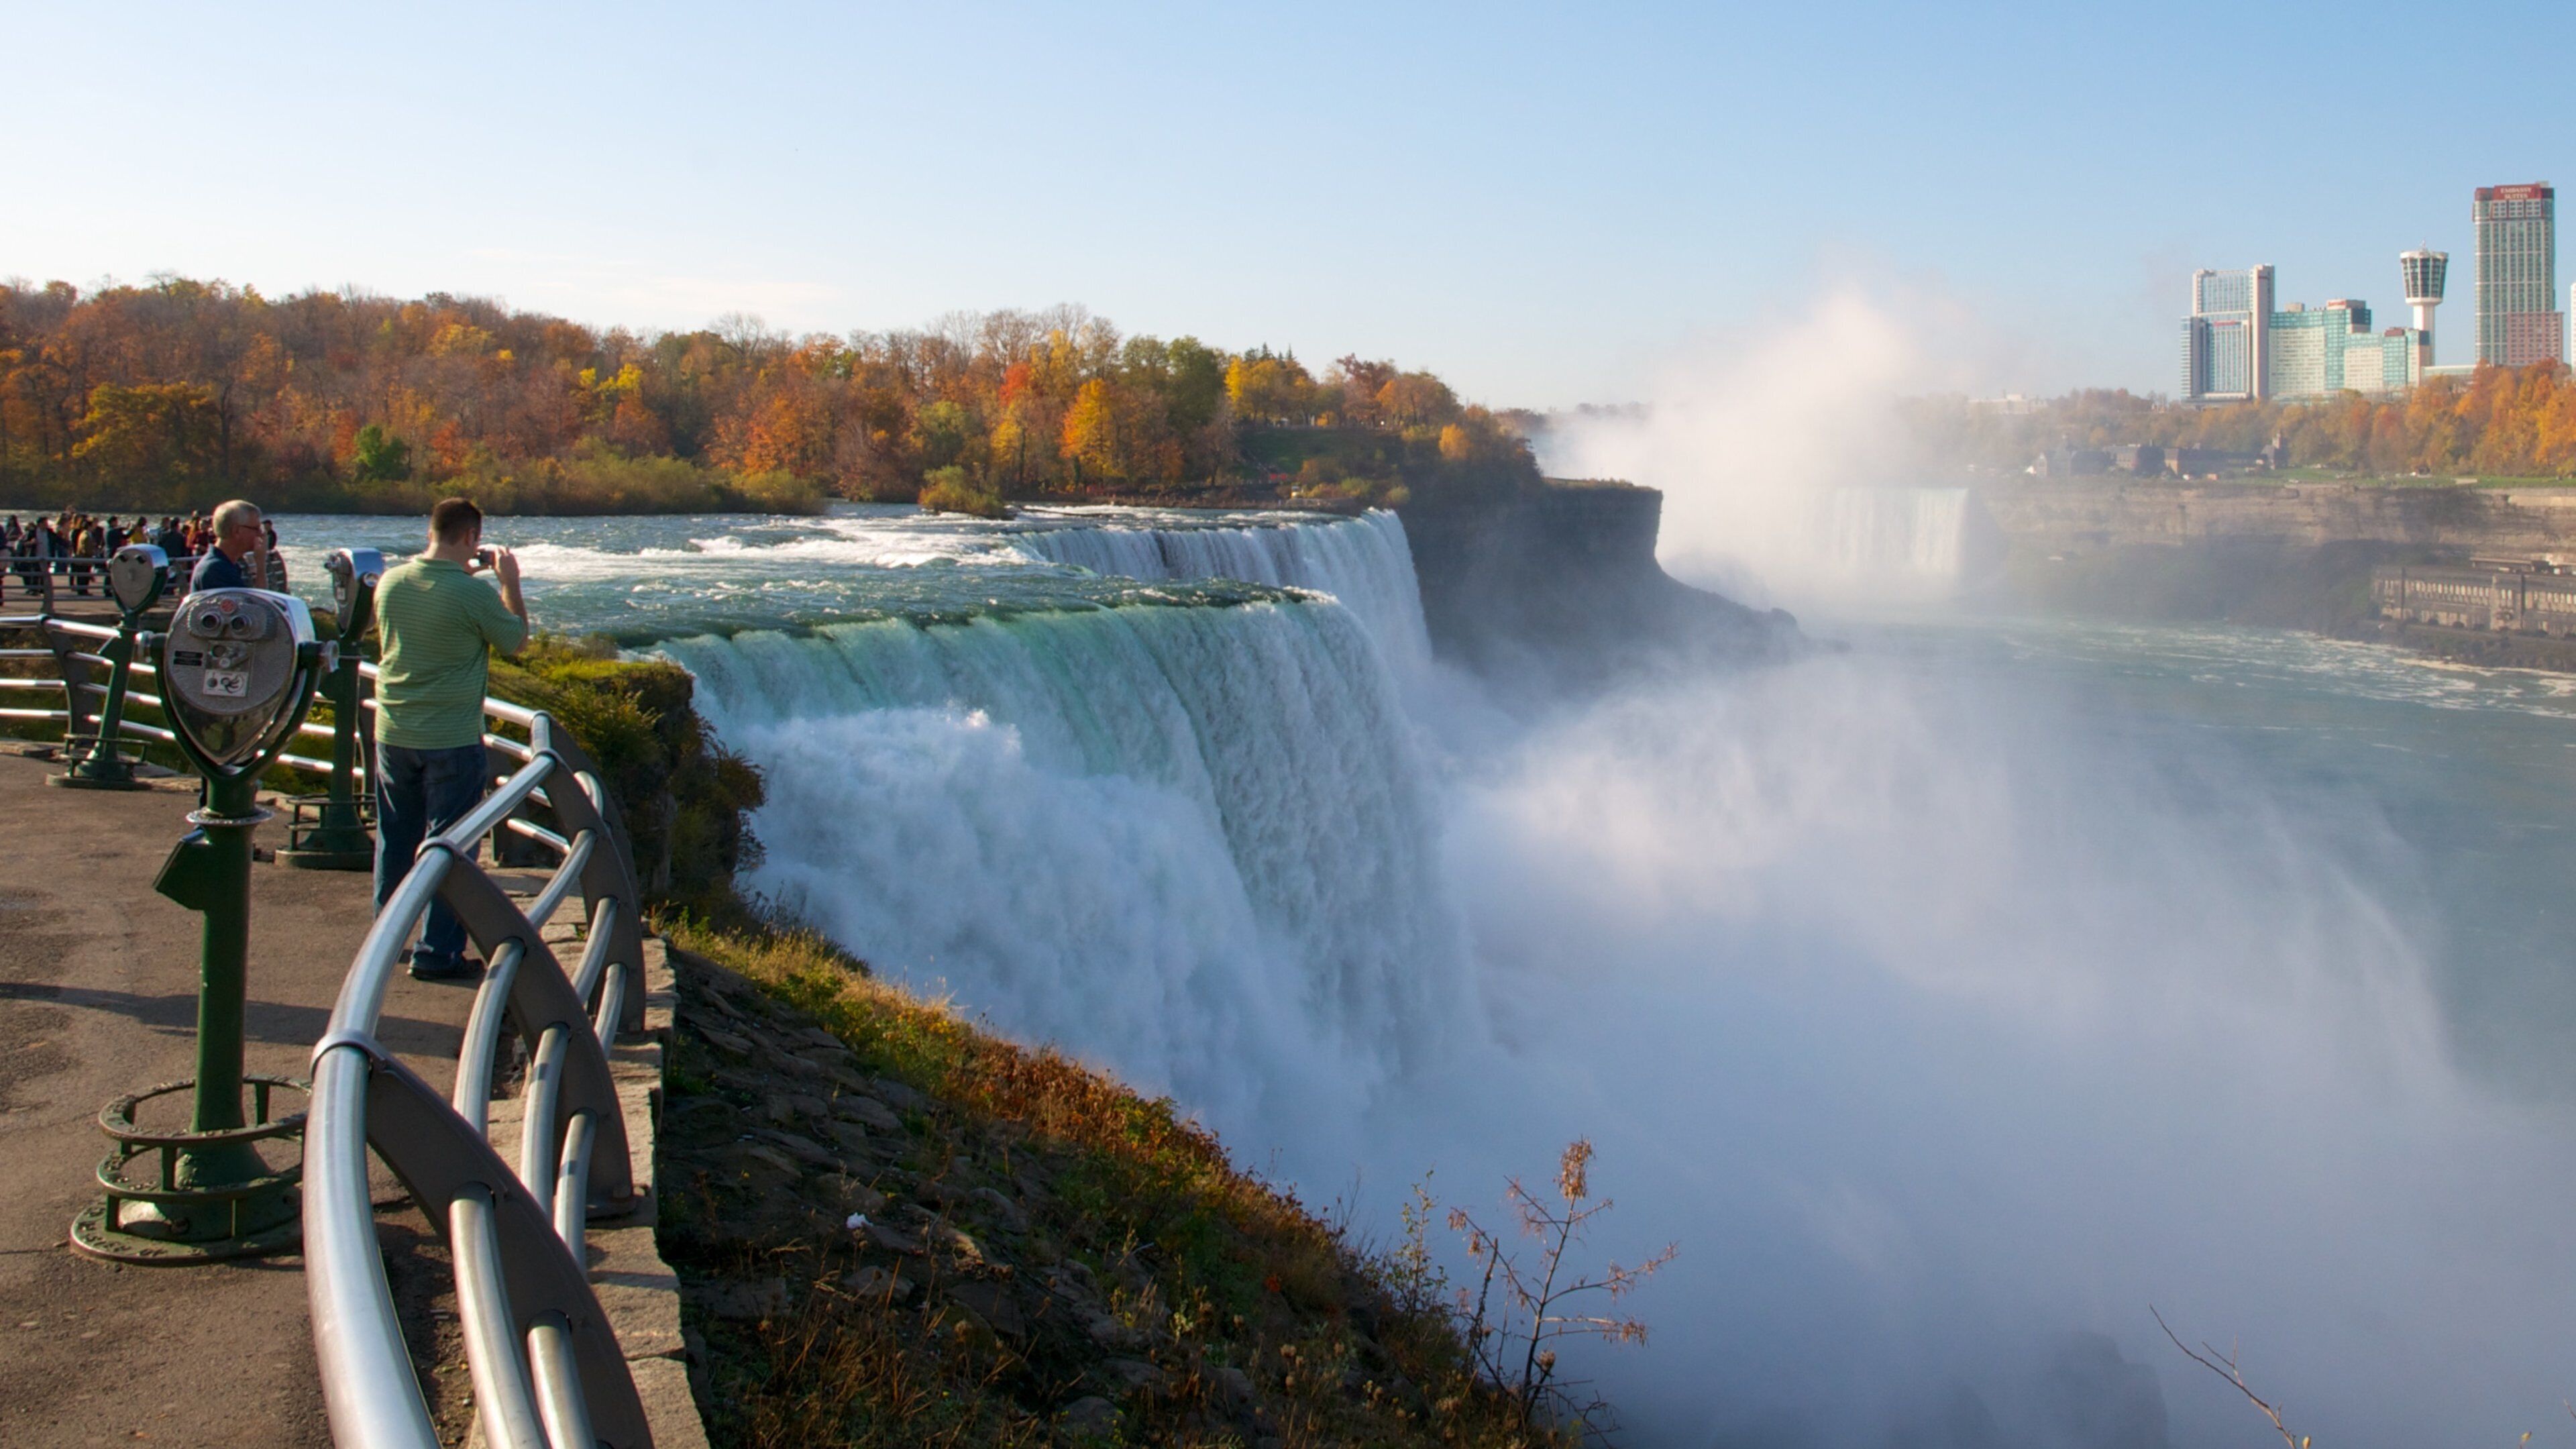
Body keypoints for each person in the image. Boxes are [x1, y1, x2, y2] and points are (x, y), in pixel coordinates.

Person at [372, 496, 528, 981]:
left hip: (393, 731)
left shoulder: (391, 581)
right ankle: (437, 953)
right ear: (471, 539)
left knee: (396, 840)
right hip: (452, 738)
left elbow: (422, 621)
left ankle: (387, 939)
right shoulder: (473, 595)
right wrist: (510, 585)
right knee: (450, 849)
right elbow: (516, 640)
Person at [189, 499, 264, 593]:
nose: (260, 534)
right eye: (256, 529)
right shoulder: (217, 571)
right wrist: (261, 565)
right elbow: (259, 606)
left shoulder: (226, 564)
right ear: (236, 531)